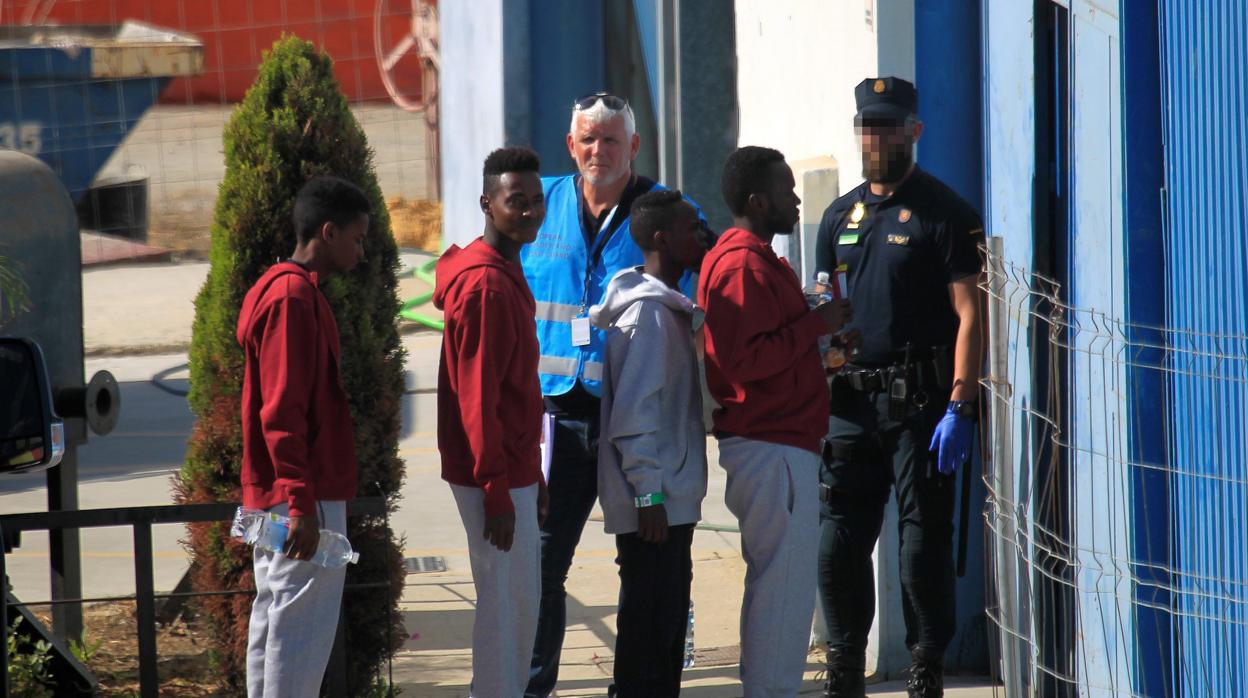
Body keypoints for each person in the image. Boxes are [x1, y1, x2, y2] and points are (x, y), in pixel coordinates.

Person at [520, 92, 703, 697]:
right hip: (556, 416)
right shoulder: (532, 206)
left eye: (612, 139)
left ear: (635, 147)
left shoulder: (668, 215)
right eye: (588, 139)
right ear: (570, 146)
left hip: (631, 420)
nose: (599, 150)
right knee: (542, 566)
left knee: (646, 563)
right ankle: (533, 685)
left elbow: (705, 296)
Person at [813, 77, 985, 698]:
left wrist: (961, 402)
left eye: (889, 124)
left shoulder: (944, 213)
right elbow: (826, 308)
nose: (876, 136)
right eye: (868, 124)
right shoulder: (840, 216)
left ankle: (926, 662)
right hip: (851, 405)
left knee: (920, 540)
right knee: (838, 540)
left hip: (921, 405)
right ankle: (842, 665)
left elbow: (971, 313)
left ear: (914, 130)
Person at [698, 146, 852, 697]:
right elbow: (743, 361)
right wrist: (814, 326)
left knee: (779, 587)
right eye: (787, 190)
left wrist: (822, 343)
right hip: (771, 446)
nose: (794, 199)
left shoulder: (756, 259)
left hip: (778, 443)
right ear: (758, 200)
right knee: (781, 591)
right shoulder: (741, 264)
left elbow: (766, 350)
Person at [237, 175, 369, 697]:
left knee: (274, 623)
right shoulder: (292, 297)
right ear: (329, 232)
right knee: (297, 635)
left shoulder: (283, 288)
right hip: (297, 497)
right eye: (358, 238)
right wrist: (298, 500)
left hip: (284, 494)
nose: (362, 250)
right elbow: (283, 408)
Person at [434, 146, 551, 697]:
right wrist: (498, 490)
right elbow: (477, 399)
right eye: (515, 201)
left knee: (516, 604)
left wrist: (533, 474)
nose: (529, 211)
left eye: (535, 200)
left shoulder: (504, 271)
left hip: (510, 469)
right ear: (487, 203)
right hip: (492, 475)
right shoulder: (486, 286)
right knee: (507, 609)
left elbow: (513, 393)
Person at [589, 189, 710, 698]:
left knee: (662, 628)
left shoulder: (668, 310)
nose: (701, 236)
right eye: (691, 229)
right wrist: (648, 495)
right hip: (654, 507)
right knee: (649, 627)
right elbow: (633, 419)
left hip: (668, 499)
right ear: (662, 240)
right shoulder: (651, 318)